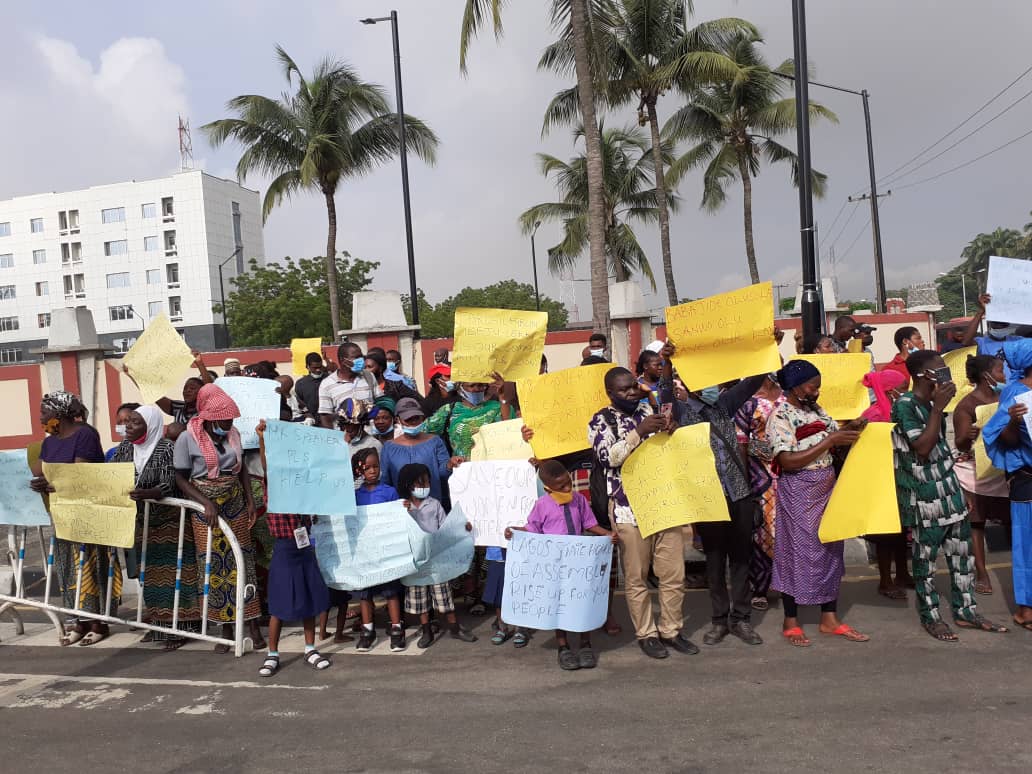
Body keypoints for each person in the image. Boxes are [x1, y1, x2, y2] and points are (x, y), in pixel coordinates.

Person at [892, 350, 1006, 641]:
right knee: (926, 564)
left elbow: (943, 453)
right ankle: (931, 617)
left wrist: (957, 489)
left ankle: (966, 612)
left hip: (949, 494)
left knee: (962, 559)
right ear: (922, 376)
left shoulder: (933, 405)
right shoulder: (905, 405)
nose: (946, 376)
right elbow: (922, 448)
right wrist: (935, 410)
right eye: (940, 371)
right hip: (923, 499)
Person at [659, 343, 768, 646]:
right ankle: (720, 620)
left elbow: (754, 381)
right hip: (707, 499)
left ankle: (742, 619)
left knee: (742, 559)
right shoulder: (680, 411)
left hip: (739, 494)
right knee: (715, 562)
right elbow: (664, 395)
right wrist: (666, 362)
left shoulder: (725, 405)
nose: (710, 385)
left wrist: (768, 345)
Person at [590, 367, 692, 660]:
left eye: (633, 386)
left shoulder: (649, 408)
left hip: (663, 502)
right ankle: (646, 634)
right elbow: (607, 458)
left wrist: (670, 431)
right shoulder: (600, 420)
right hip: (627, 509)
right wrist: (639, 432)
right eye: (624, 390)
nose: (632, 392)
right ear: (610, 393)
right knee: (637, 577)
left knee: (673, 574)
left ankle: (671, 630)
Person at [767, 360, 868, 646]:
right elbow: (786, 460)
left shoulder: (816, 410)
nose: (817, 391)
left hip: (826, 486)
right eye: (813, 386)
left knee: (830, 549)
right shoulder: (780, 415)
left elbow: (833, 435)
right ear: (796, 386)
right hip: (799, 489)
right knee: (796, 553)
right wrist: (830, 440)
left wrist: (855, 428)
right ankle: (791, 620)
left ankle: (829, 618)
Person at [173, 383, 264, 652]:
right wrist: (205, 504)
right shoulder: (187, 438)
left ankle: (252, 625)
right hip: (204, 505)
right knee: (214, 564)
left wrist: (249, 500)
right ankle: (224, 628)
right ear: (210, 418)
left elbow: (242, 469)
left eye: (231, 419)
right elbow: (180, 476)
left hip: (234, 498)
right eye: (224, 420)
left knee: (243, 561)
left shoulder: (233, 434)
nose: (228, 424)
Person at [505, 460, 617, 670]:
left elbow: (589, 524)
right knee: (559, 604)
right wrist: (515, 532)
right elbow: (532, 529)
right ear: (548, 488)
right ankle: (563, 646)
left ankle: (585, 643)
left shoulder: (579, 501)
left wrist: (608, 535)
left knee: (582, 601)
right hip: (554, 565)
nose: (567, 488)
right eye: (561, 486)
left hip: (578, 562)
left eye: (569, 483)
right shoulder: (541, 505)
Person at [29, 391, 115, 646]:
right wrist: (41, 483)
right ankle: (79, 620)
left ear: (58, 413)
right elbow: (45, 470)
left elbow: (81, 472)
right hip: (62, 511)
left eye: (45, 413)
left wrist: (55, 480)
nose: (41, 417)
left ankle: (98, 621)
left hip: (86, 510)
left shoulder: (84, 434)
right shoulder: (49, 442)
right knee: (68, 567)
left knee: (89, 564)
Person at [111, 405, 200, 649]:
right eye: (127, 422)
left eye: (135, 422)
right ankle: (160, 626)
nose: (128, 427)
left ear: (150, 426)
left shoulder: (166, 449)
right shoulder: (125, 449)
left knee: (176, 576)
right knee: (150, 577)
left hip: (170, 524)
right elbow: (114, 476)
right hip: (142, 525)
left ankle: (182, 627)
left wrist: (153, 492)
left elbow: (172, 481)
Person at [253, 420, 331, 676]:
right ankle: (272, 654)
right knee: (280, 603)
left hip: (305, 546)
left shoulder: (305, 484)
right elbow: (267, 466)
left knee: (308, 598)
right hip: (285, 548)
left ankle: (310, 648)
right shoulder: (274, 483)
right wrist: (263, 438)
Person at [397, 463, 477, 648]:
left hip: (436, 558)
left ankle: (454, 627)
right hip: (415, 560)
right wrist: (404, 512)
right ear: (409, 485)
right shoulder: (402, 507)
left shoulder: (434, 504)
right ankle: (426, 630)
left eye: (427, 481)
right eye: (420, 482)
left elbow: (445, 527)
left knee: (444, 595)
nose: (425, 485)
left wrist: (462, 527)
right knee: (420, 598)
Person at [981, 340, 1032, 631]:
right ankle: (1026, 609)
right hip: (1028, 479)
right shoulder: (1015, 393)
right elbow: (1002, 439)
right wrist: (1013, 422)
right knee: (1027, 546)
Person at [953, 354, 1010, 595]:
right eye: (999, 371)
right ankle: (982, 572)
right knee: (976, 524)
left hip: (1002, 469)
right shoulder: (966, 406)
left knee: (1012, 519)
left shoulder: (1006, 397)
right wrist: (969, 436)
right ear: (987, 376)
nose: (1003, 375)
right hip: (973, 473)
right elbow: (961, 444)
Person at [857, 369, 914, 600]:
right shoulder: (872, 415)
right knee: (884, 534)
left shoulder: (897, 410)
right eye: (902, 388)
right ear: (891, 391)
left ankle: (902, 573)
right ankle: (885, 580)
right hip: (879, 479)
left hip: (898, 477)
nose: (905, 393)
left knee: (901, 531)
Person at [733, 374, 785, 611]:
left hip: (789, 477)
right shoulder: (748, 403)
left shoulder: (789, 398)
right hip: (759, 479)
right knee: (761, 534)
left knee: (788, 532)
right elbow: (739, 442)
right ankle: (760, 587)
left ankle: (787, 584)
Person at [352, 447, 406, 652]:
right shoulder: (356, 496)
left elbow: (397, 518)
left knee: (391, 592)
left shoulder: (390, 492)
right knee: (366, 594)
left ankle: (396, 630)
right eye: (367, 468)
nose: (373, 471)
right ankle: (367, 631)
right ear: (360, 471)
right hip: (365, 553)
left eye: (376, 466)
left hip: (386, 552)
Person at [381, 398, 451, 504]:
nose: (413, 422)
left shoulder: (435, 442)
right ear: (398, 420)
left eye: (416, 418)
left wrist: (449, 465)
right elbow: (385, 481)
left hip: (432, 506)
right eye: (408, 419)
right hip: (403, 509)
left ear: (422, 417)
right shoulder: (389, 448)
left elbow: (442, 473)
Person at [124, 350, 213, 423]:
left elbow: (210, 390)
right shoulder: (179, 408)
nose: (187, 391)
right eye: (185, 388)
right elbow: (154, 394)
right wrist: (133, 375)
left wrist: (199, 363)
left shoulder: (206, 409)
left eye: (192, 388)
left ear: (202, 392)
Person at [318, 342, 380, 428]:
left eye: (361, 356)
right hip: (345, 436)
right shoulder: (327, 384)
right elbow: (325, 417)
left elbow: (380, 401)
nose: (361, 360)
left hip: (371, 436)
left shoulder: (369, 376)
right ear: (343, 360)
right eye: (356, 357)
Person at [295, 352, 328, 424]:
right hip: (312, 422)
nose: (318, 370)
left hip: (330, 421)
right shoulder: (301, 384)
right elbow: (300, 403)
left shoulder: (330, 379)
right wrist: (308, 416)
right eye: (315, 368)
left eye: (320, 367)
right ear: (307, 367)